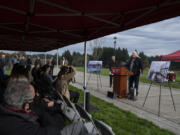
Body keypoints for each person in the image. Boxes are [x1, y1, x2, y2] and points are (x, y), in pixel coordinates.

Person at [0, 80, 90, 135]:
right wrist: (46, 110)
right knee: (81, 126)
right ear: (26, 105)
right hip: (52, 127)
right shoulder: (20, 127)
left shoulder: (6, 113)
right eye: (31, 100)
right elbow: (52, 130)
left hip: (46, 121)